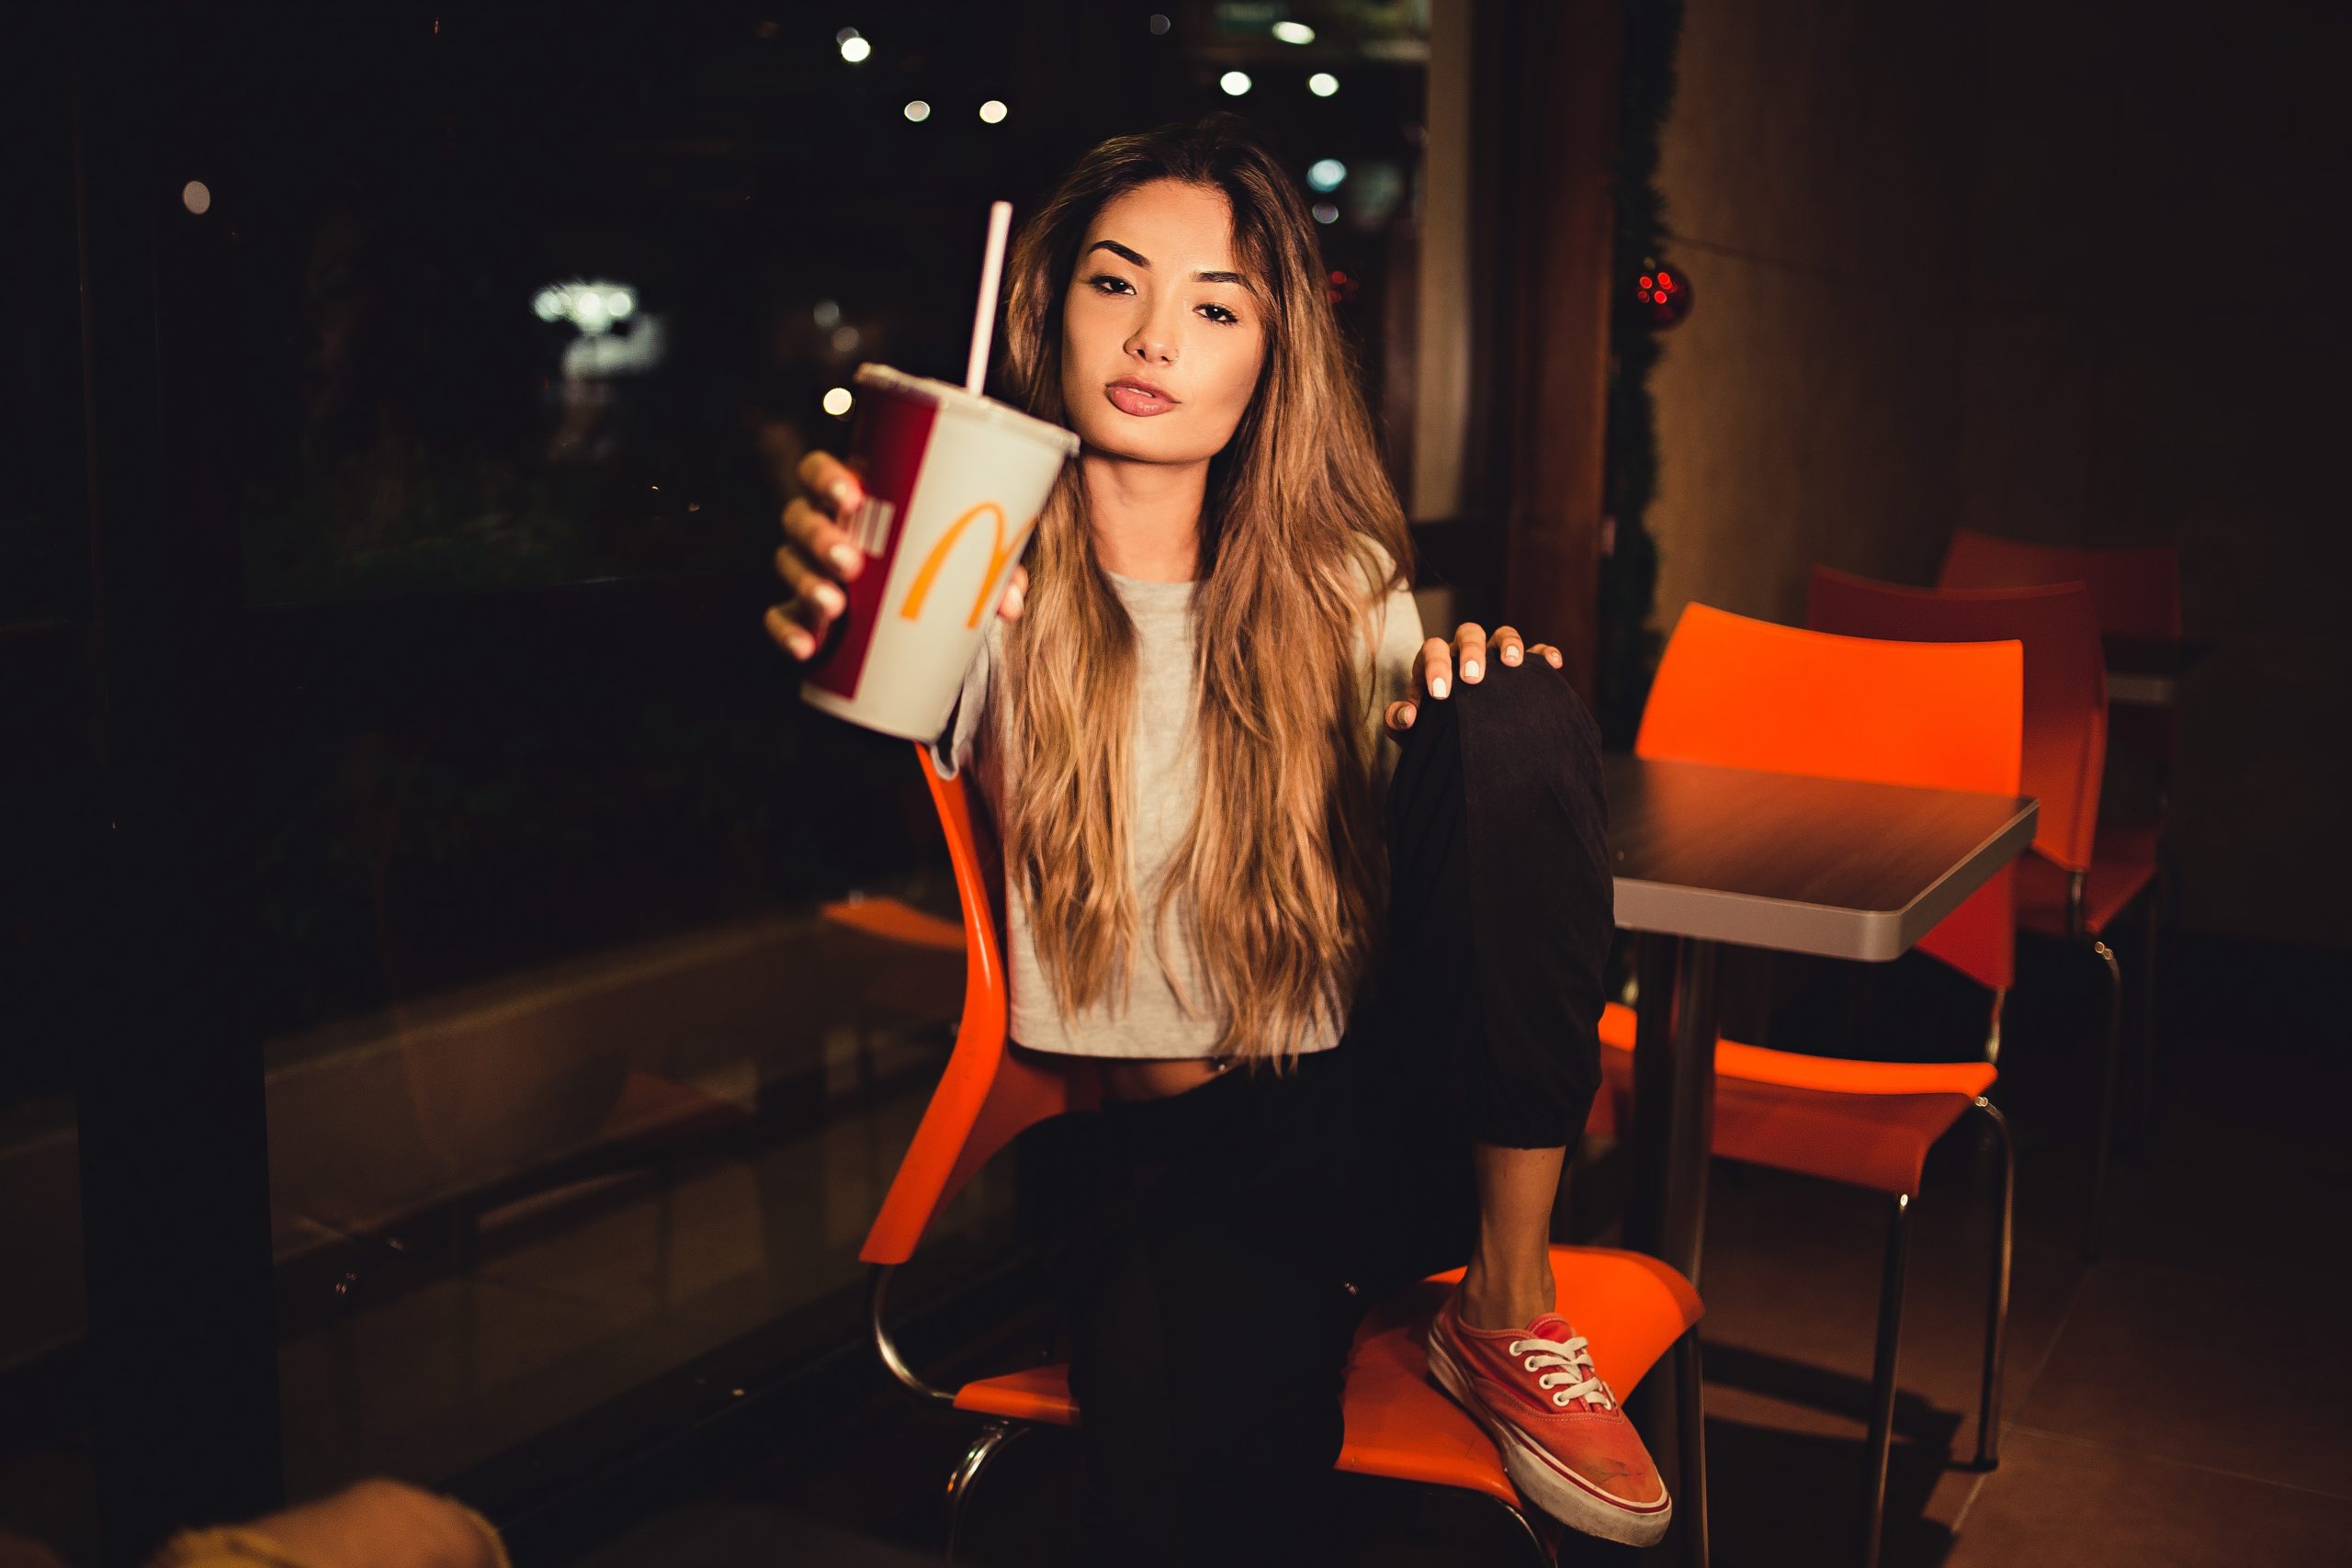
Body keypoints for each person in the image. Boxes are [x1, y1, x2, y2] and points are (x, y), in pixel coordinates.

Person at [765, 115, 1666, 1562]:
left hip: (1372, 1106)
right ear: (1051, 307)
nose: (1155, 335)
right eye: (1116, 284)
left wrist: (1464, 710)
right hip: (1171, 1162)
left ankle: (1505, 1298)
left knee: (1511, 701)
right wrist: (836, 569)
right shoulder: (975, 568)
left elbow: (1465, 863)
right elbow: (862, 725)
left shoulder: (1339, 587)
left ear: (1268, 362)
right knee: (1200, 1507)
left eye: (1214, 304)